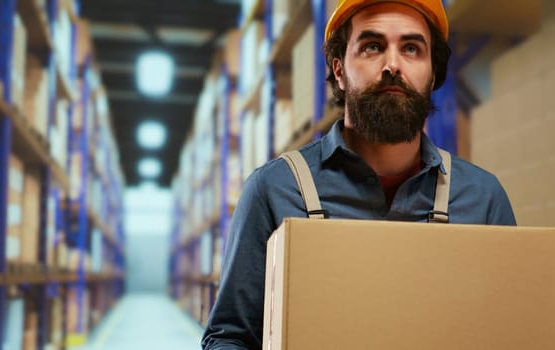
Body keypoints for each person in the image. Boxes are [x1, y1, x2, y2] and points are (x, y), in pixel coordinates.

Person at [202, 0, 516, 348]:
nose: (392, 65)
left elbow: (512, 333)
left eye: (412, 48)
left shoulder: (483, 198)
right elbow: (229, 337)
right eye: (372, 47)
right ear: (339, 69)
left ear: (433, 72)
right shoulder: (274, 190)